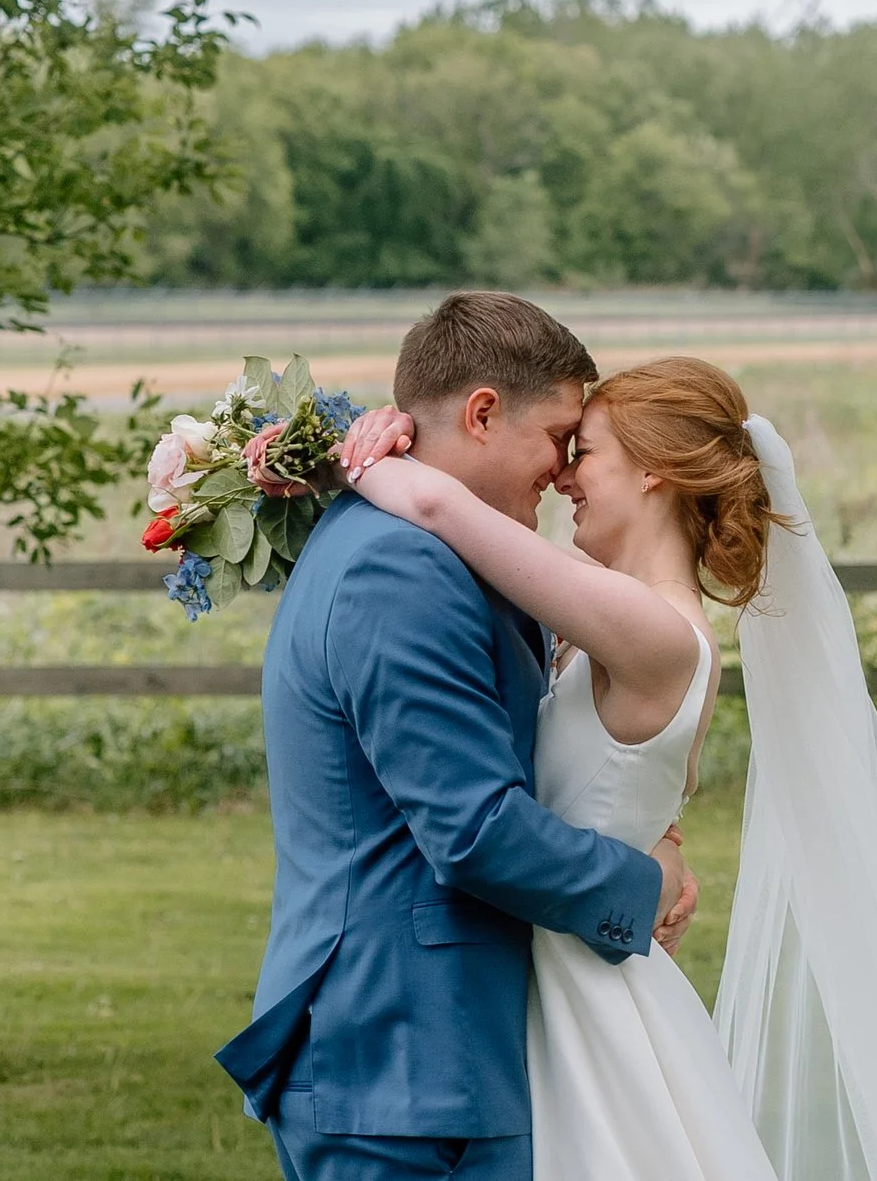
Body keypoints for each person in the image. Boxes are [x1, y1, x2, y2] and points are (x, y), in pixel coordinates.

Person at [338, 345, 877, 1181]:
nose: (566, 477)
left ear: (652, 473)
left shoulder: (652, 630)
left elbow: (433, 504)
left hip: (584, 993)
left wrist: (338, 452)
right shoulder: (621, 609)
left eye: (587, 453)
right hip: (557, 965)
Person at [215, 292, 695, 1181]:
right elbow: (475, 831)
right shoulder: (400, 568)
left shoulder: (428, 546)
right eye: (558, 437)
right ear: (482, 413)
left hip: (428, 1055)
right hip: (403, 1057)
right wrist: (642, 883)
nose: (562, 471)